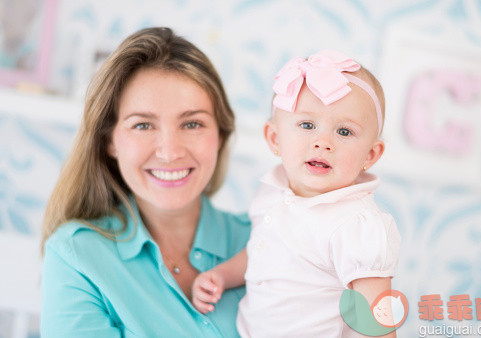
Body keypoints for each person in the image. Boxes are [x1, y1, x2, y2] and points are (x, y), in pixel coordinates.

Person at [40, 27, 250, 337]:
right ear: (110, 140)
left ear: (220, 135)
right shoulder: (78, 255)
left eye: (192, 123)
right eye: (142, 125)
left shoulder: (272, 239)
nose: (170, 152)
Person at [191, 50, 401, 337]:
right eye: (307, 125)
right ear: (275, 139)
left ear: (371, 154)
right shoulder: (273, 194)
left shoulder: (356, 224)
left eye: (344, 132)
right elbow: (261, 251)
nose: (323, 142)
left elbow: (376, 321)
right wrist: (222, 275)